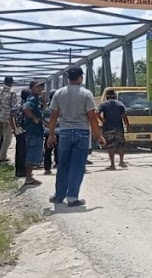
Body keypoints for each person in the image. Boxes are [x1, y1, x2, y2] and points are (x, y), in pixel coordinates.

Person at [47, 65, 106, 207]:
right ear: (81, 77)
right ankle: (72, 197)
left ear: (68, 78)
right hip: (82, 133)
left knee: (63, 165)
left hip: (65, 132)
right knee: (77, 166)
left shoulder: (59, 93)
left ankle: (59, 195)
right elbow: (92, 117)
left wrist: (51, 135)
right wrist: (99, 136)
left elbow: (53, 116)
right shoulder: (86, 94)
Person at [0, 76, 18, 162]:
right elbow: (14, 107)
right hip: (7, 118)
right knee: (7, 138)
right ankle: (2, 156)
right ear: (11, 83)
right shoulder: (12, 93)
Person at [99, 89, 130, 170]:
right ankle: (121, 161)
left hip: (108, 128)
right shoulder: (120, 104)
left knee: (110, 146)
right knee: (120, 145)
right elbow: (124, 116)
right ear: (115, 96)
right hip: (119, 128)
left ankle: (112, 165)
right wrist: (128, 126)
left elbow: (96, 113)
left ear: (106, 97)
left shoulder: (104, 104)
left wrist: (102, 119)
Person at [22, 81, 46, 186]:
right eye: (37, 87)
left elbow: (42, 113)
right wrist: (33, 118)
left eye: (41, 86)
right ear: (31, 88)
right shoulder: (32, 98)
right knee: (32, 153)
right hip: (33, 130)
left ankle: (30, 176)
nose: (40, 88)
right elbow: (25, 108)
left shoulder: (36, 99)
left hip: (35, 130)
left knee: (34, 153)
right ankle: (28, 177)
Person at [13, 89, 31, 178]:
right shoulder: (26, 106)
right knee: (24, 150)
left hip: (18, 129)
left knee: (18, 149)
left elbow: (10, 116)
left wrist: (14, 128)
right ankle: (23, 170)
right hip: (25, 129)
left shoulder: (17, 105)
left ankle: (18, 170)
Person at [43, 89, 59, 174]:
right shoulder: (61, 106)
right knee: (58, 149)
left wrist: (48, 126)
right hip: (59, 131)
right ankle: (58, 164)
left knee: (48, 150)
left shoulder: (46, 107)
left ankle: (47, 168)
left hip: (48, 132)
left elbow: (42, 118)